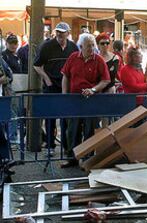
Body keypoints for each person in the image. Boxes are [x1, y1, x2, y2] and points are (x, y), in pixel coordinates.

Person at [61, 33, 110, 167]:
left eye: (93, 45)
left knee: (90, 129)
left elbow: (106, 80)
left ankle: (88, 159)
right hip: (74, 100)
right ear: (81, 46)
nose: (92, 48)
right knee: (72, 129)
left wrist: (93, 90)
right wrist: (64, 95)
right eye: (89, 46)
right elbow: (65, 76)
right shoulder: (73, 58)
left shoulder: (98, 60)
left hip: (92, 100)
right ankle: (72, 158)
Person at [34, 22, 78, 156]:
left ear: (68, 33)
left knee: (66, 117)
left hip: (67, 86)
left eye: (62, 32)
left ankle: (66, 146)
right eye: (58, 31)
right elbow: (37, 65)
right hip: (51, 85)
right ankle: (50, 145)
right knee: (50, 118)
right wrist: (46, 79)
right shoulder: (47, 46)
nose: (60, 34)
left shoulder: (73, 47)